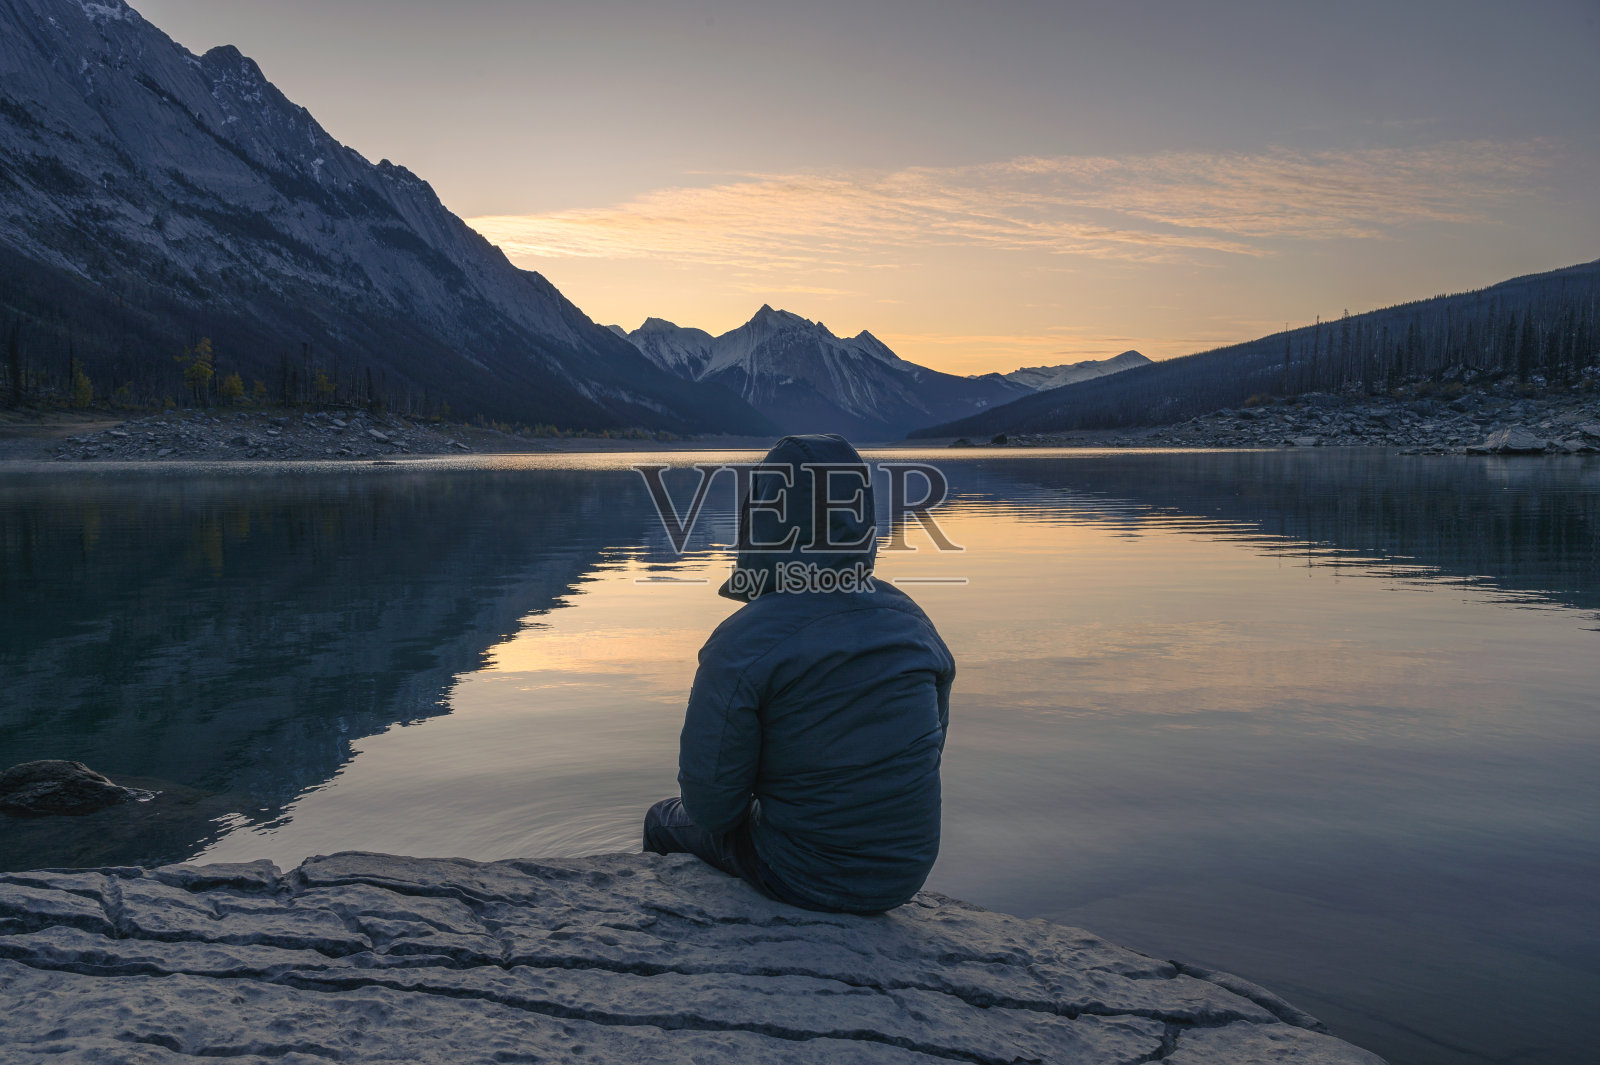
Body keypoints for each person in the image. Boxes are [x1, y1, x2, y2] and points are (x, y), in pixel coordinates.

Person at [643, 434, 956, 914]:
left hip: (801, 874)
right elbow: (929, 744)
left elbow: (710, 810)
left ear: (762, 520)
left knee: (663, 821)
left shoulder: (744, 642)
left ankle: (669, 930)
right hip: (904, 873)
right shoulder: (912, 620)